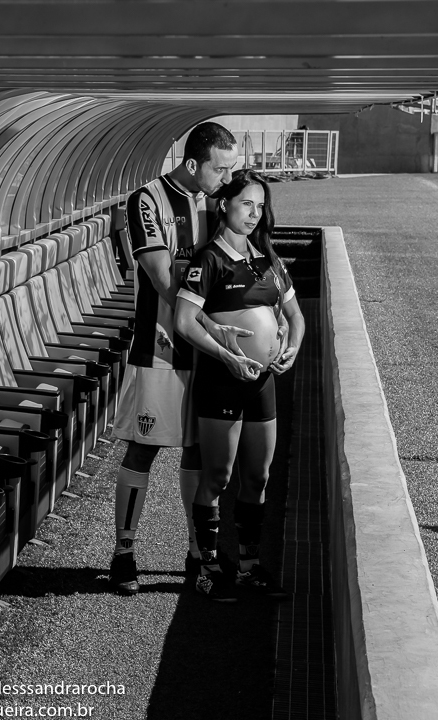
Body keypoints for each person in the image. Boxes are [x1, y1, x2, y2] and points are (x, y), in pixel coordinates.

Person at [108, 121, 250, 595]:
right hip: (161, 349)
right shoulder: (146, 201)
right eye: (220, 168)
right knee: (144, 447)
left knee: (197, 451)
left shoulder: (219, 203)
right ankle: (124, 552)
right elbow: (163, 279)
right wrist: (209, 325)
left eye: (232, 169)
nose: (227, 179)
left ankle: (197, 554)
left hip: (207, 353)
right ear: (193, 164)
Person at [174, 169, 305, 601]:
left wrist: (292, 348)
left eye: (260, 205)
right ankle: (207, 567)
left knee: (258, 476)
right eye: (246, 203)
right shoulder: (208, 260)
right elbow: (183, 322)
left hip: (262, 381)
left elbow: (296, 317)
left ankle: (249, 567)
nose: (254, 213)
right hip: (221, 380)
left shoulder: (267, 256)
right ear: (225, 205)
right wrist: (226, 356)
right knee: (217, 476)